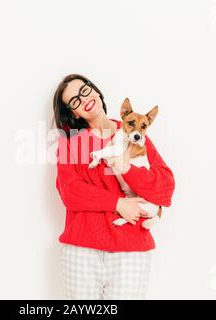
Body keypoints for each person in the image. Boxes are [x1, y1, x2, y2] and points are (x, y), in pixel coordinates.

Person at [53, 74, 175, 299]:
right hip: (82, 251)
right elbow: (71, 192)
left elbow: (165, 186)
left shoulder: (133, 132)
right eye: (75, 101)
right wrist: (118, 203)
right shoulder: (71, 142)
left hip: (131, 251)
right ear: (73, 112)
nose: (84, 99)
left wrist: (126, 169)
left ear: (96, 91)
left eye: (85, 90)